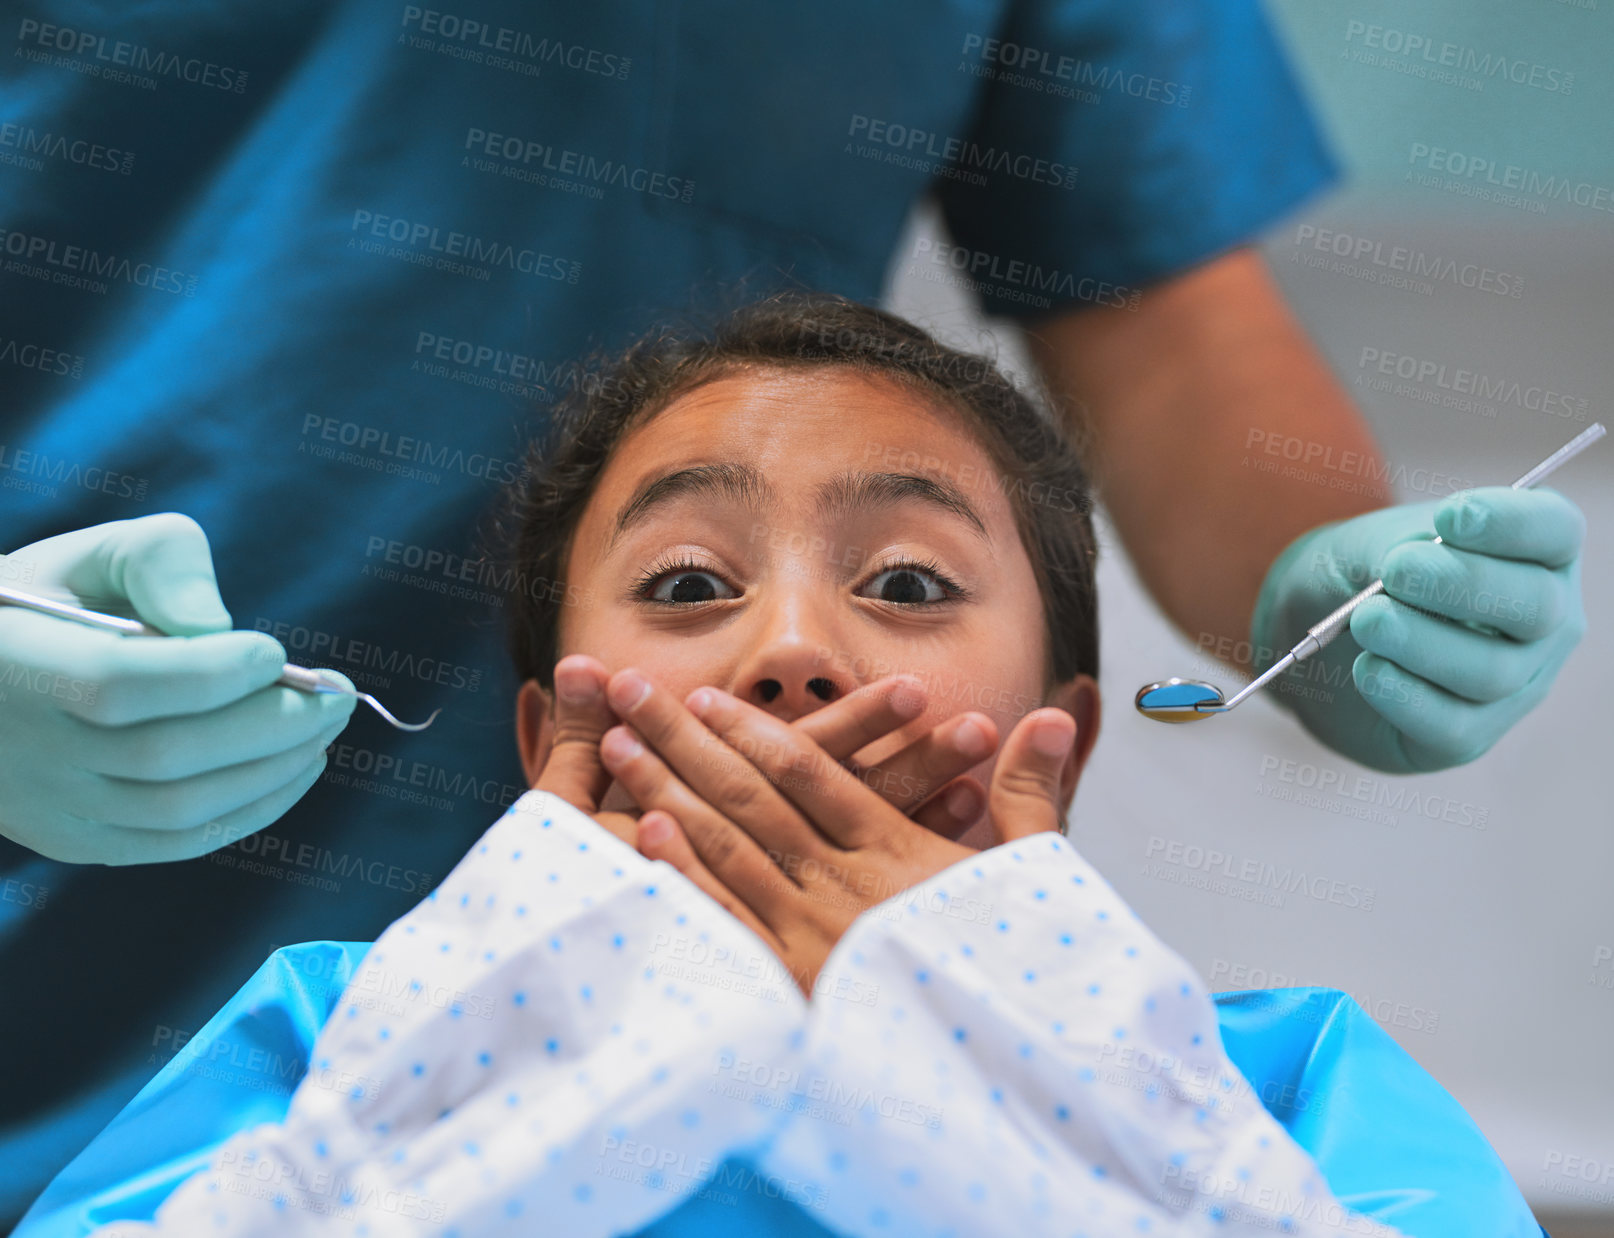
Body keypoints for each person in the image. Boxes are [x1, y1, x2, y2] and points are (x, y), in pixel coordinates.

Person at [0, 2, 1586, 1219]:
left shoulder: (1280, 1098)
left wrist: (1103, 1109)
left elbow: (1169, 323)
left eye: (905, 581)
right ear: (545, 725)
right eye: (689, 584)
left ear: (1067, 731)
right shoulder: (308, 1066)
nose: (791, 653)